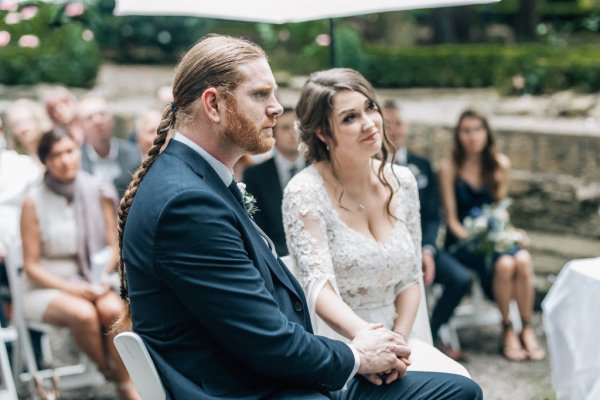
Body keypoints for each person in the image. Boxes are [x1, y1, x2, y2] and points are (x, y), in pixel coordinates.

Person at [117, 35, 482, 399]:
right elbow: (267, 341)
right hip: (251, 390)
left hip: (272, 376)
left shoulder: (197, 182)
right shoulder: (188, 203)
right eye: (261, 95)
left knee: (457, 388)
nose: (277, 108)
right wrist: (357, 356)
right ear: (213, 104)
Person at [282, 68, 474, 381]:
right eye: (349, 118)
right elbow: (318, 287)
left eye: (370, 107)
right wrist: (371, 347)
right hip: (342, 343)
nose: (369, 123)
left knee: (459, 381)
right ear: (322, 133)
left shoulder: (404, 181)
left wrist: (398, 343)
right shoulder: (304, 192)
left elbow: (411, 275)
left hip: (403, 335)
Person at [19, 129, 139, 399]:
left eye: (70, 151)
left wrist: (96, 279)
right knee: (83, 314)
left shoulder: (98, 191)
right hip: (47, 285)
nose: (65, 160)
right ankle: (109, 371)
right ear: (45, 161)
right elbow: (32, 266)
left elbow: (113, 247)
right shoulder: (33, 201)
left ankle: (124, 384)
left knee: (113, 309)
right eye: (56, 155)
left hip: (93, 279)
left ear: (78, 151)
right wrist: (72, 288)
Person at [438, 109, 545, 362]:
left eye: (477, 129)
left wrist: (510, 235)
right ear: (458, 135)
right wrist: (479, 240)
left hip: (493, 237)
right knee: (506, 264)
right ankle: (508, 328)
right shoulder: (448, 167)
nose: (472, 136)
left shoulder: (499, 164)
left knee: (522, 259)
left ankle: (526, 328)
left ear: (486, 132)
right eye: (466, 130)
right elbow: (451, 220)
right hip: (463, 242)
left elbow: (501, 211)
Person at [382, 100, 472, 361]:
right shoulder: (370, 165)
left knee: (460, 279)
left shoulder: (422, 165)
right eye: (387, 125)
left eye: (398, 123)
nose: (394, 130)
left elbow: (433, 216)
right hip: (389, 250)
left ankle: (431, 334)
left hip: (423, 247)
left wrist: (428, 249)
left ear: (406, 127)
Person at [243, 107, 304, 256]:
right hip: (278, 256)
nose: (293, 132)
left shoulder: (320, 167)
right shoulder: (255, 175)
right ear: (273, 134)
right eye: (285, 128)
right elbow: (256, 223)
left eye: (297, 126)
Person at [78, 94, 141, 198]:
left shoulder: (133, 154)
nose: (98, 121)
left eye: (102, 114)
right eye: (89, 118)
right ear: (81, 127)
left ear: (112, 119)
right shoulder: (77, 162)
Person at [5, 99, 51, 163]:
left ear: (38, 121)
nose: (24, 128)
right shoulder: (12, 158)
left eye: (27, 122)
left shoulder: (54, 148)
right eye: (17, 124)